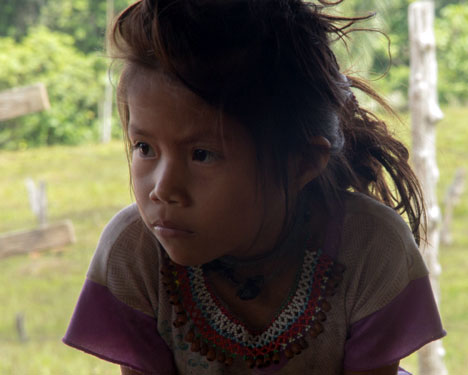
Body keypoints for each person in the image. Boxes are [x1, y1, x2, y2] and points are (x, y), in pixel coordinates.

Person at [63, 0, 446, 374]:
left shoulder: (370, 249)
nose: (163, 190)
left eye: (202, 155)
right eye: (144, 148)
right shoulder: (135, 255)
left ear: (302, 163)